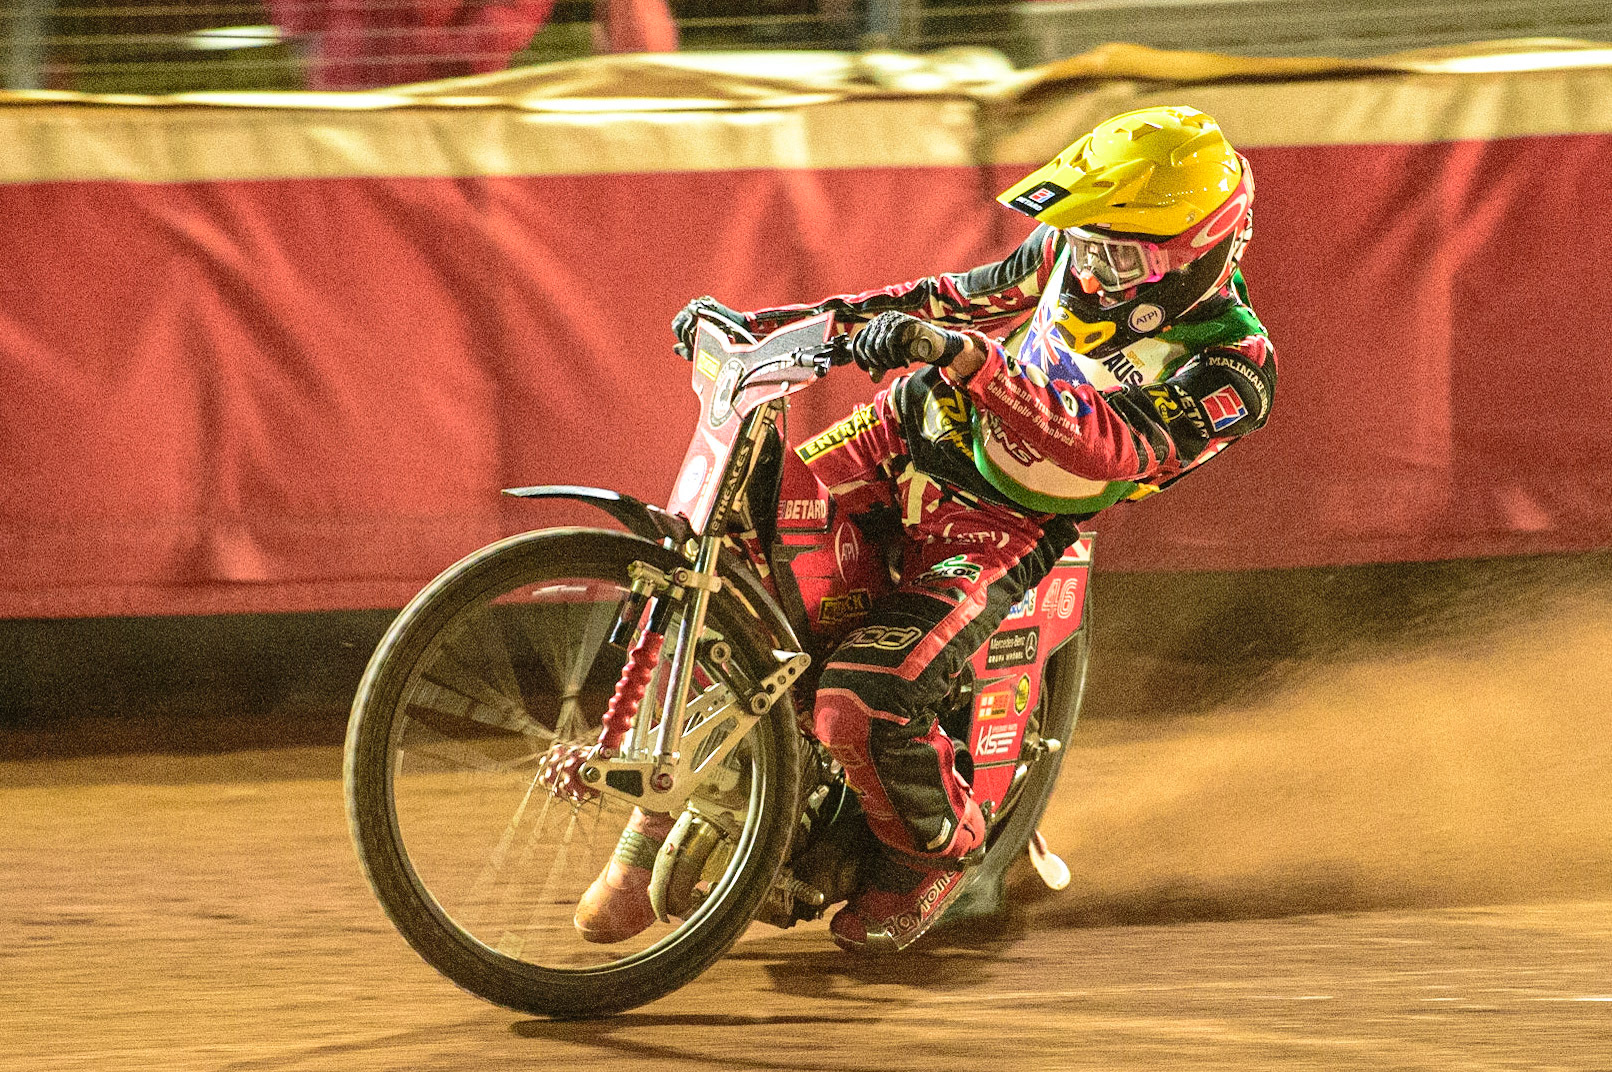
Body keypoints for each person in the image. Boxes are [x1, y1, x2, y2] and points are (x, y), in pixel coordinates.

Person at [575, 105, 1277, 953]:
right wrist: (770, 329)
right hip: (912, 428)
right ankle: (656, 827)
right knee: (739, 548)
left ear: (1196, 253)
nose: (1090, 266)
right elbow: (944, 300)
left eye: (1117, 253)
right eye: (1084, 241)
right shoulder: (1060, 253)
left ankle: (933, 859)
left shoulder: (1235, 366)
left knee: (859, 701)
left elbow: (1113, 447)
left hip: (1012, 522)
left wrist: (973, 361)